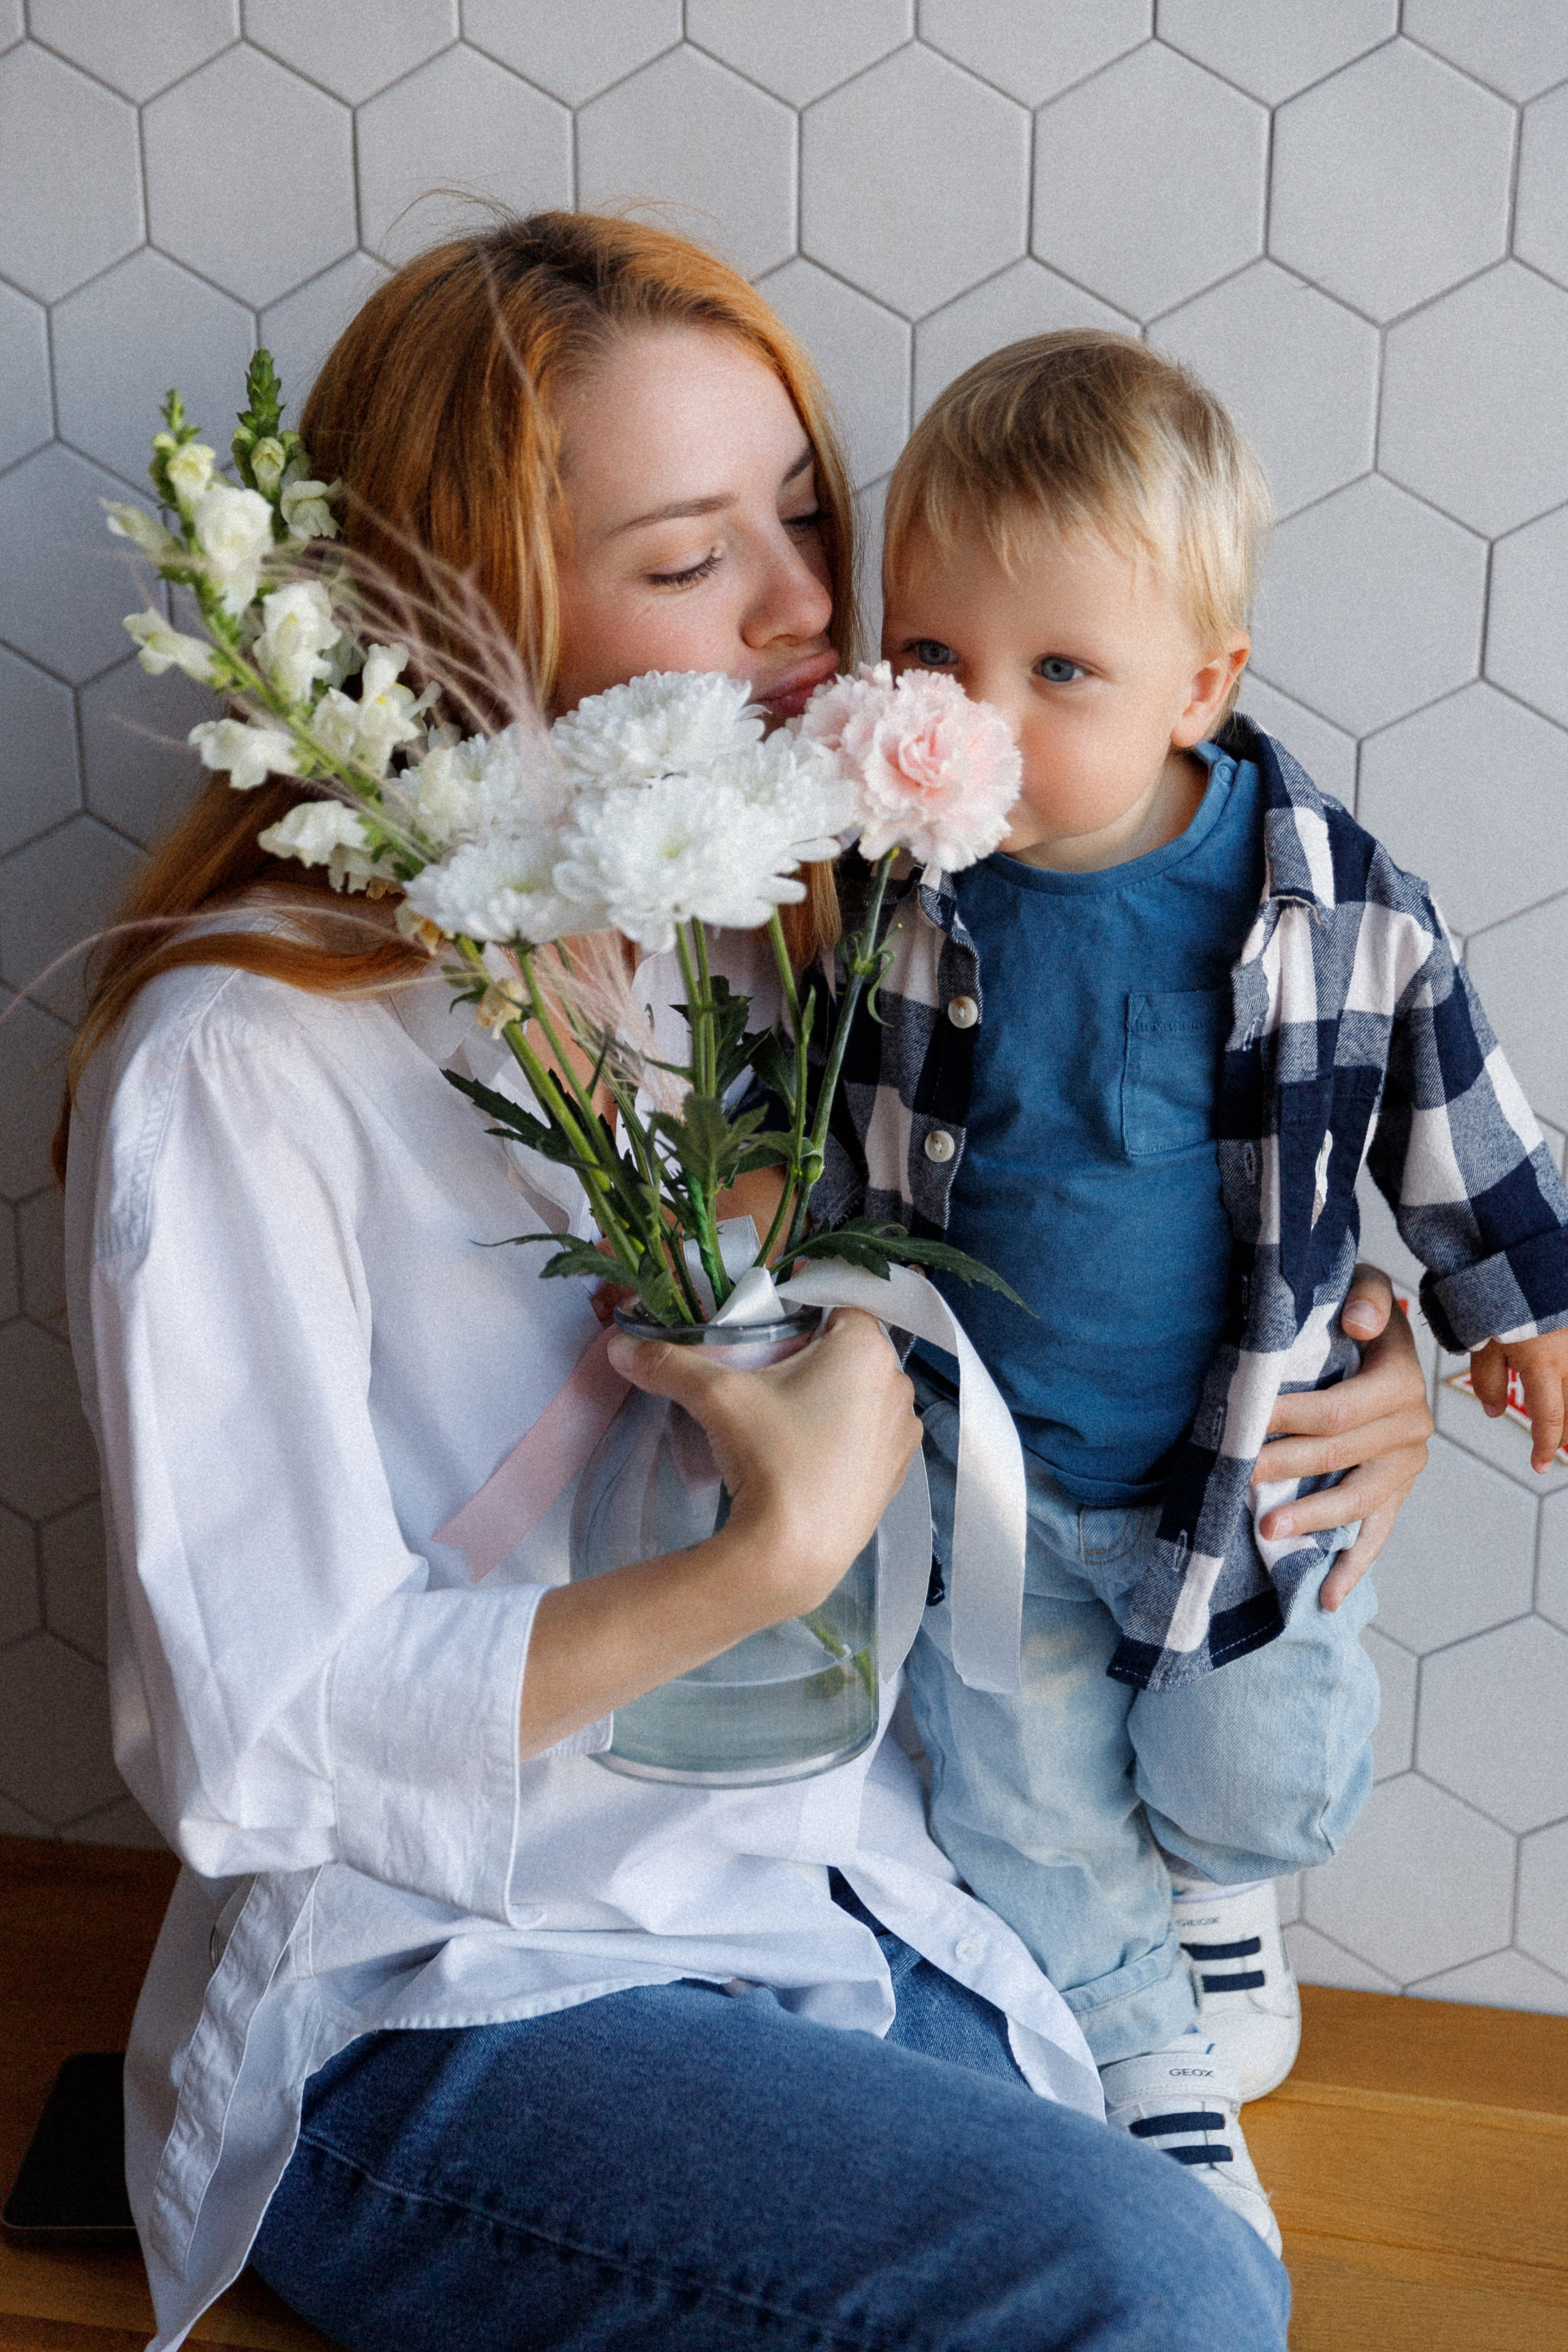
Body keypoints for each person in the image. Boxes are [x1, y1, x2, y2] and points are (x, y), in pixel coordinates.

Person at [59, 218, 1421, 2352]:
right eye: (695, 560)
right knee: (1153, 2302)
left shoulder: (783, 936)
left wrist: (1340, 1361)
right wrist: (763, 1554)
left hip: (853, 1879)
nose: (813, 612)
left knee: (1216, 2287)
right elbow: (265, 1740)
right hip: (454, 1994)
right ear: (466, 602)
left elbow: (1198, 1054)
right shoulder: (245, 1068)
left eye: (806, 516)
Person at [815, 328, 1568, 2247]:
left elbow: (1450, 1101)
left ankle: (1226, 1895)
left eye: (1060, 673)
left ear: (1199, 688)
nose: (983, 719)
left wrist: (1527, 1307)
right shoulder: (901, 886)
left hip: (1243, 1465)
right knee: (1021, 1791)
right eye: (935, 661)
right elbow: (832, 1112)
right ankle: (1146, 2053)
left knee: (1254, 1763)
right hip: (985, 1464)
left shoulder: (1325, 903)